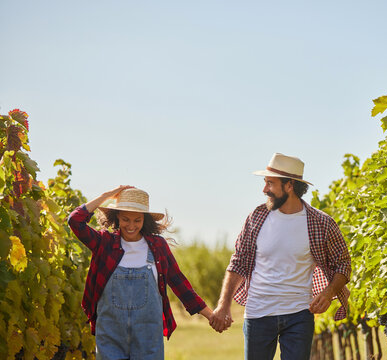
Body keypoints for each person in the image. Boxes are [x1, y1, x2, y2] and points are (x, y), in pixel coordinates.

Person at [210, 153, 351, 360]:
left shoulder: (321, 223)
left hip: (299, 315)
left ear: (289, 186)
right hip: (258, 315)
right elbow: (238, 263)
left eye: (270, 183)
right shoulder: (257, 218)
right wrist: (223, 305)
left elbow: (343, 264)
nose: (264, 189)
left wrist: (329, 293)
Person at [68, 185, 213, 360]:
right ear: (117, 217)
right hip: (110, 332)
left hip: (148, 334)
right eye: (125, 219)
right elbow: (75, 220)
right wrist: (107, 195)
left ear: (145, 220)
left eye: (137, 220)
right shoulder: (104, 243)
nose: (131, 225)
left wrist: (210, 316)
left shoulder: (157, 246)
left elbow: (178, 282)